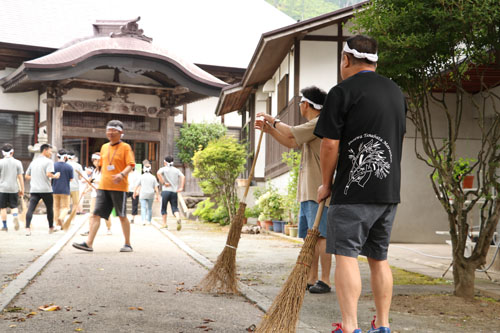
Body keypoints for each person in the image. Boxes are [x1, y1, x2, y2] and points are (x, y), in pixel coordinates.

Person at [315, 35, 406, 333]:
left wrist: (325, 183)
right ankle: (382, 325)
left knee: (346, 256)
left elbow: (330, 144)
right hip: (389, 191)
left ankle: (351, 326)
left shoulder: (341, 92)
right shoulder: (395, 92)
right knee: (379, 259)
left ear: (345, 60)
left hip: (352, 192)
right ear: (375, 60)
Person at [255, 86, 332, 294]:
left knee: (322, 236)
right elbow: (290, 141)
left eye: (300, 103)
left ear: (306, 104)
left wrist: (272, 119)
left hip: (320, 190)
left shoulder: (319, 122)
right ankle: (312, 277)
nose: (299, 106)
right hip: (310, 189)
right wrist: (269, 130)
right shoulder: (312, 125)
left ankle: (324, 280)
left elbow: (289, 132)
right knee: (311, 237)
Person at [72, 120, 135, 252]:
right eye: (108, 130)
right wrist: (93, 179)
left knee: (122, 215)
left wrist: (121, 175)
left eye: (113, 131)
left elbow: (131, 164)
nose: (110, 133)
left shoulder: (126, 147)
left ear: (121, 133)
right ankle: (89, 243)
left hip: (119, 187)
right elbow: (102, 166)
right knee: (95, 214)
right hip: (103, 186)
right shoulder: (104, 147)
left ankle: (128, 244)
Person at [25, 143, 61, 236]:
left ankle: (27, 229)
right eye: (50, 151)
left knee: (31, 209)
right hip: (46, 189)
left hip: (34, 189)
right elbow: (49, 174)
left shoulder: (33, 162)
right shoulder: (49, 162)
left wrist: (36, 177)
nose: (51, 153)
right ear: (45, 150)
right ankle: (51, 228)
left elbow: (26, 176)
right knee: (49, 208)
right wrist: (55, 176)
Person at [80, 153, 113, 236]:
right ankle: (90, 229)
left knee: (106, 213)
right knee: (91, 213)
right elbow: (92, 184)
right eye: (94, 161)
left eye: (97, 161)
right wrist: (86, 190)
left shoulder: (105, 170)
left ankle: (109, 228)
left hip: (104, 194)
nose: (95, 162)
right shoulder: (94, 171)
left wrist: (94, 181)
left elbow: (106, 181)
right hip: (95, 194)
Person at [0, 143, 24, 231]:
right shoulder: (18, 162)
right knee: (14, 206)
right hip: (14, 188)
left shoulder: (0, 162)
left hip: (2, 188)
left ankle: (5, 226)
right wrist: (22, 189)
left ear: (2, 152)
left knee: (2, 208)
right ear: (12, 152)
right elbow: (20, 177)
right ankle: (15, 216)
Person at [157, 156, 185, 231]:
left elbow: (158, 173)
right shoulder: (176, 170)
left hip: (165, 191)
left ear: (165, 162)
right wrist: (181, 187)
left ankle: (164, 224)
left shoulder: (163, 169)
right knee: (175, 207)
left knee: (164, 208)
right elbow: (183, 177)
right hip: (174, 191)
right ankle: (178, 217)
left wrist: (163, 183)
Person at [52, 149, 73, 230]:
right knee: (65, 207)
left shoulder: (53, 165)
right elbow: (71, 179)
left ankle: (57, 224)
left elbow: (51, 176)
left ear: (57, 156)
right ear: (66, 157)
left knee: (56, 207)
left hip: (55, 188)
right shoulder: (69, 167)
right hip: (65, 189)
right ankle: (61, 218)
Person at [67, 150, 84, 215]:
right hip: (75, 187)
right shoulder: (78, 166)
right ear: (74, 157)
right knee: (75, 204)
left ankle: (63, 218)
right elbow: (80, 177)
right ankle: (72, 219)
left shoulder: (65, 165)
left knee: (66, 205)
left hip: (66, 187)